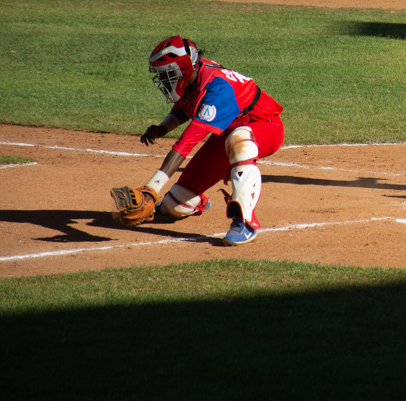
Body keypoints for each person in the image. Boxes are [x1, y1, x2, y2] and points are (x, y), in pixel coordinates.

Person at [112, 35, 285, 245]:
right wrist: (163, 127)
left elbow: (185, 144)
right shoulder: (194, 76)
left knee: (240, 142)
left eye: (168, 74)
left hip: (265, 126)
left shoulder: (218, 90)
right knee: (174, 205)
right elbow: (185, 106)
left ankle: (245, 223)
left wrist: (152, 188)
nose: (164, 80)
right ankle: (198, 202)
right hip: (226, 136)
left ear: (184, 69)